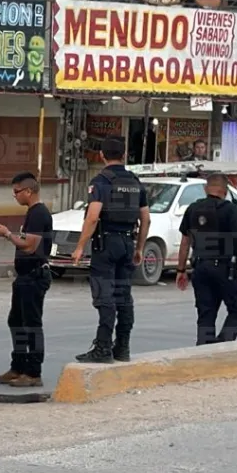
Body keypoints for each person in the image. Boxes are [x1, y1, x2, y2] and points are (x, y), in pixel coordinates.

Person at [70, 136, 151, 364]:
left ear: (102, 155)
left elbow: (93, 217)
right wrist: (140, 248)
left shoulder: (102, 181)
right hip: (127, 243)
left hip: (106, 245)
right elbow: (145, 219)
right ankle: (122, 347)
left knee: (104, 297)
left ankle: (103, 348)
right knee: (124, 296)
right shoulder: (136, 182)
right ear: (124, 155)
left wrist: (79, 247)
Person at [175, 173, 237, 344]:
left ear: (206, 188)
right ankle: (222, 344)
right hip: (225, 269)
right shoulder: (230, 209)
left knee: (206, 314)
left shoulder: (193, 209)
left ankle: (203, 350)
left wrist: (181, 270)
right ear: (225, 191)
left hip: (200, 268)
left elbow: (185, 242)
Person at [0, 172, 53, 387]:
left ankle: (33, 372)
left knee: (31, 325)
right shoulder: (32, 213)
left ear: (28, 191)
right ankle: (17, 366)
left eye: (17, 192)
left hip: (35, 276)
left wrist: (8, 234)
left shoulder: (39, 213)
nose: (15, 196)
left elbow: (30, 245)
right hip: (24, 277)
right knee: (16, 321)